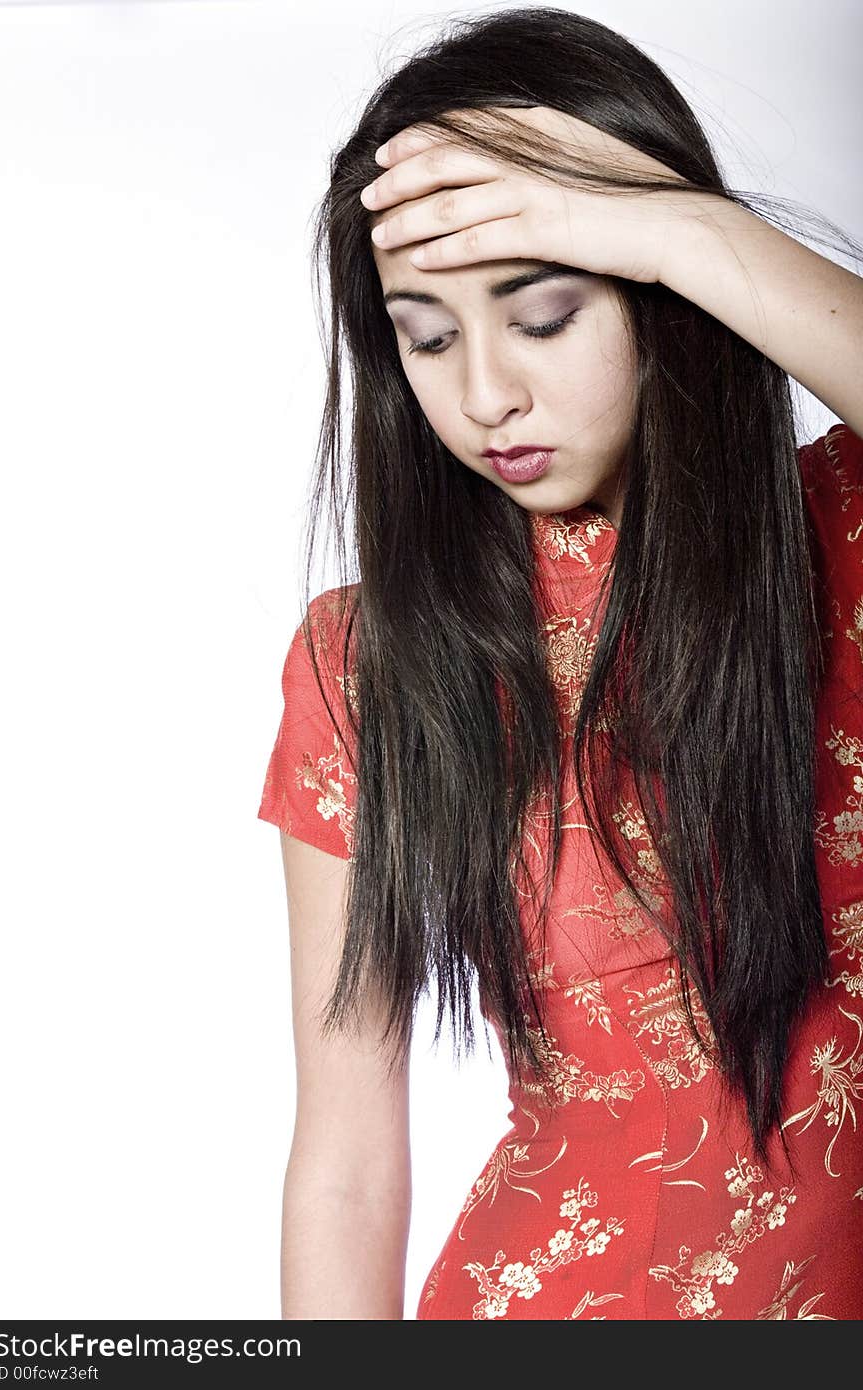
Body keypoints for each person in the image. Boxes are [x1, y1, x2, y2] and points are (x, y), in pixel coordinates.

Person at [257, 7, 863, 1319]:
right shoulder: (365, 666)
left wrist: (673, 223)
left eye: (542, 312)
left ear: (661, 299)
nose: (484, 393)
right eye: (425, 336)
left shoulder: (846, 538)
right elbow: (349, 1161)